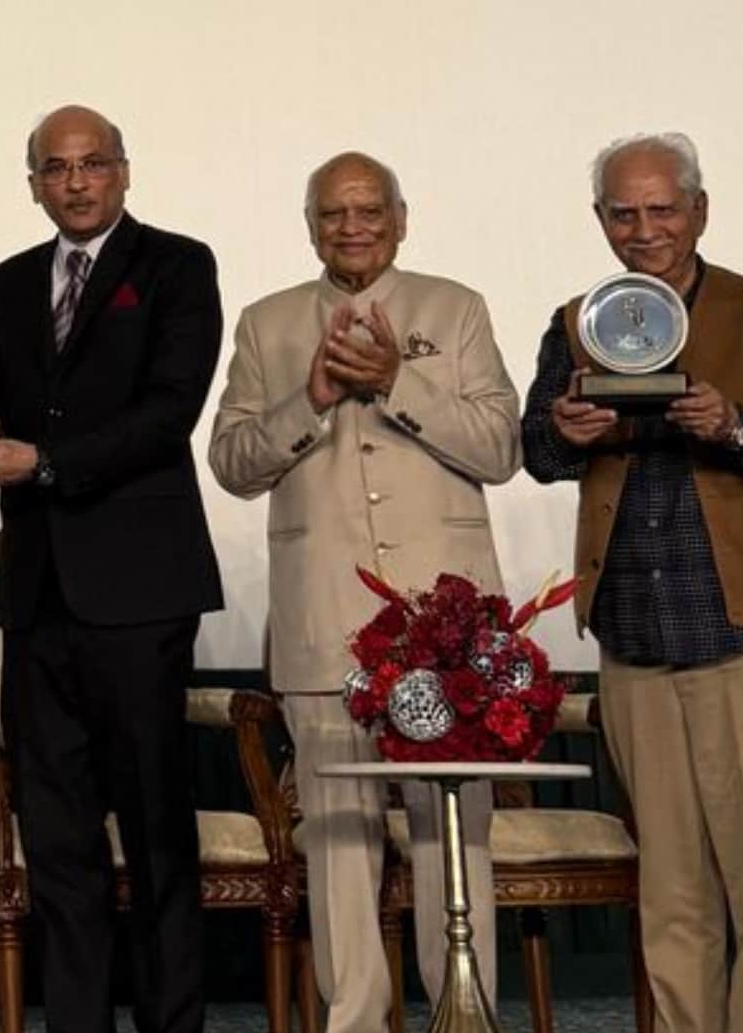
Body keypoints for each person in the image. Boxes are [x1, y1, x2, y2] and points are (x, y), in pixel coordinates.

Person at [0, 104, 224, 1033]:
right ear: (34, 185)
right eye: (56, 169)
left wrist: (42, 463)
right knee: (57, 844)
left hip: (139, 593)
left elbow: (168, 412)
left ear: (125, 172)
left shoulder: (178, 266)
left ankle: (172, 1024)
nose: (76, 181)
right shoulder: (11, 281)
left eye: (93, 163)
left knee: (156, 833)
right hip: (39, 592)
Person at [208, 151, 520, 1031]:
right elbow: (231, 463)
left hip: (447, 626)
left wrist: (394, 381)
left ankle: (466, 1011)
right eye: (333, 214)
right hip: (325, 622)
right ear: (310, 226)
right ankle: (354, 1018)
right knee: (338, 840)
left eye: (369, 211)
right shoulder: (267, 324)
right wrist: (307, 400)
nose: (352, 227)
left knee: (453, 835)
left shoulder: (455, 309)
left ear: (402, 217)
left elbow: (500, 447)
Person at [521, 133, 743, 1031]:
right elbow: (536, 452)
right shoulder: (576, 317)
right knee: (671, 886)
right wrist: (567, 432)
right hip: (632, 627)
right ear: (602, 222)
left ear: (698, 210)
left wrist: (733, 425)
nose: (644, 229)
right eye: (625, 212)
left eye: (662, 209)